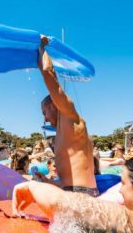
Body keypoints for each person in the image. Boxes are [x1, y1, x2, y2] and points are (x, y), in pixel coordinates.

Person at [13, 154, 133, 233]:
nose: (120, 190)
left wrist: (31, 186)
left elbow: (60, 203)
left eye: (123, 184)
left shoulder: (130, 220)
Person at [38, 36, 97, 196]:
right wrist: (47, 181)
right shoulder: (64, 133)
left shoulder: (71, 118)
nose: (45, 119)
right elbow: (69, 182)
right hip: (79, 195)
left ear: (54, 105)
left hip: (80, 198)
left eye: (45, 112)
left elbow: (48, 73)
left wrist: (40, 48)